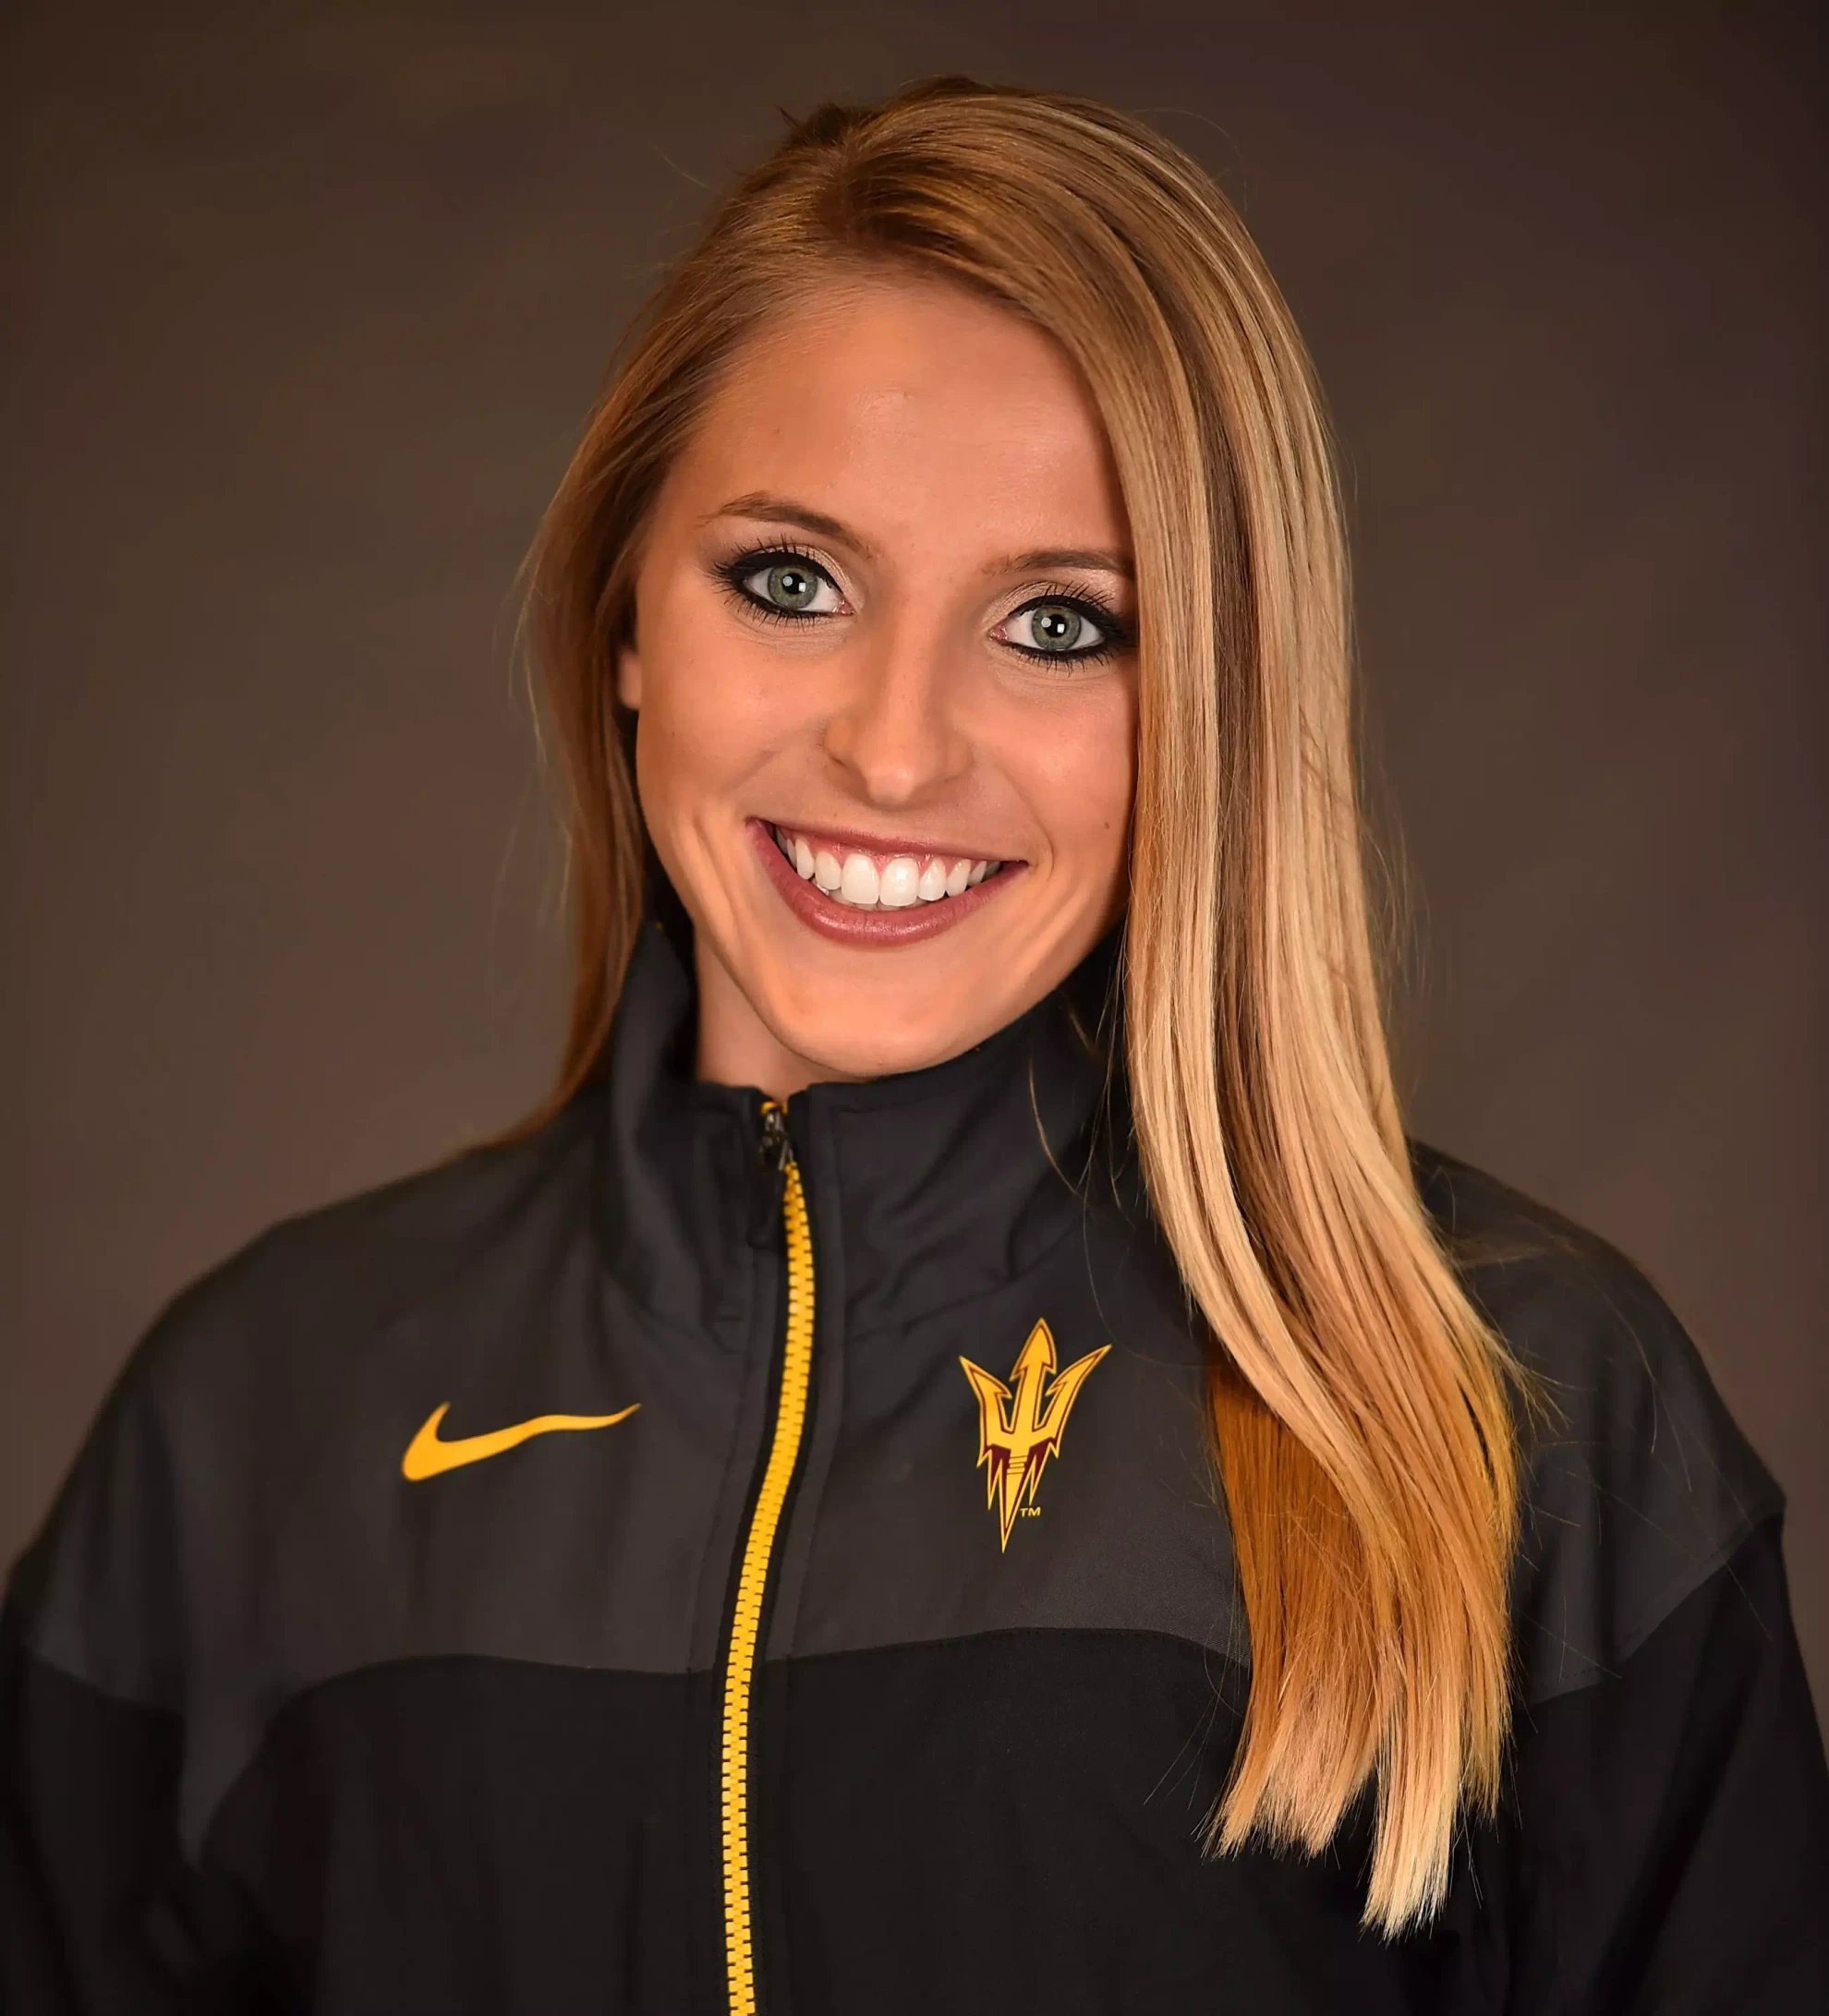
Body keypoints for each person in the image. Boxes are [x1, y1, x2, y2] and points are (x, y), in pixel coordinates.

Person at [3, 76, 1824, 2015]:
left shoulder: (1525, 1416)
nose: (892, 748)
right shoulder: (256, 1421)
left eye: (1059, 624)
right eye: (791, 582)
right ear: (629, 622)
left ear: (1211, 696)